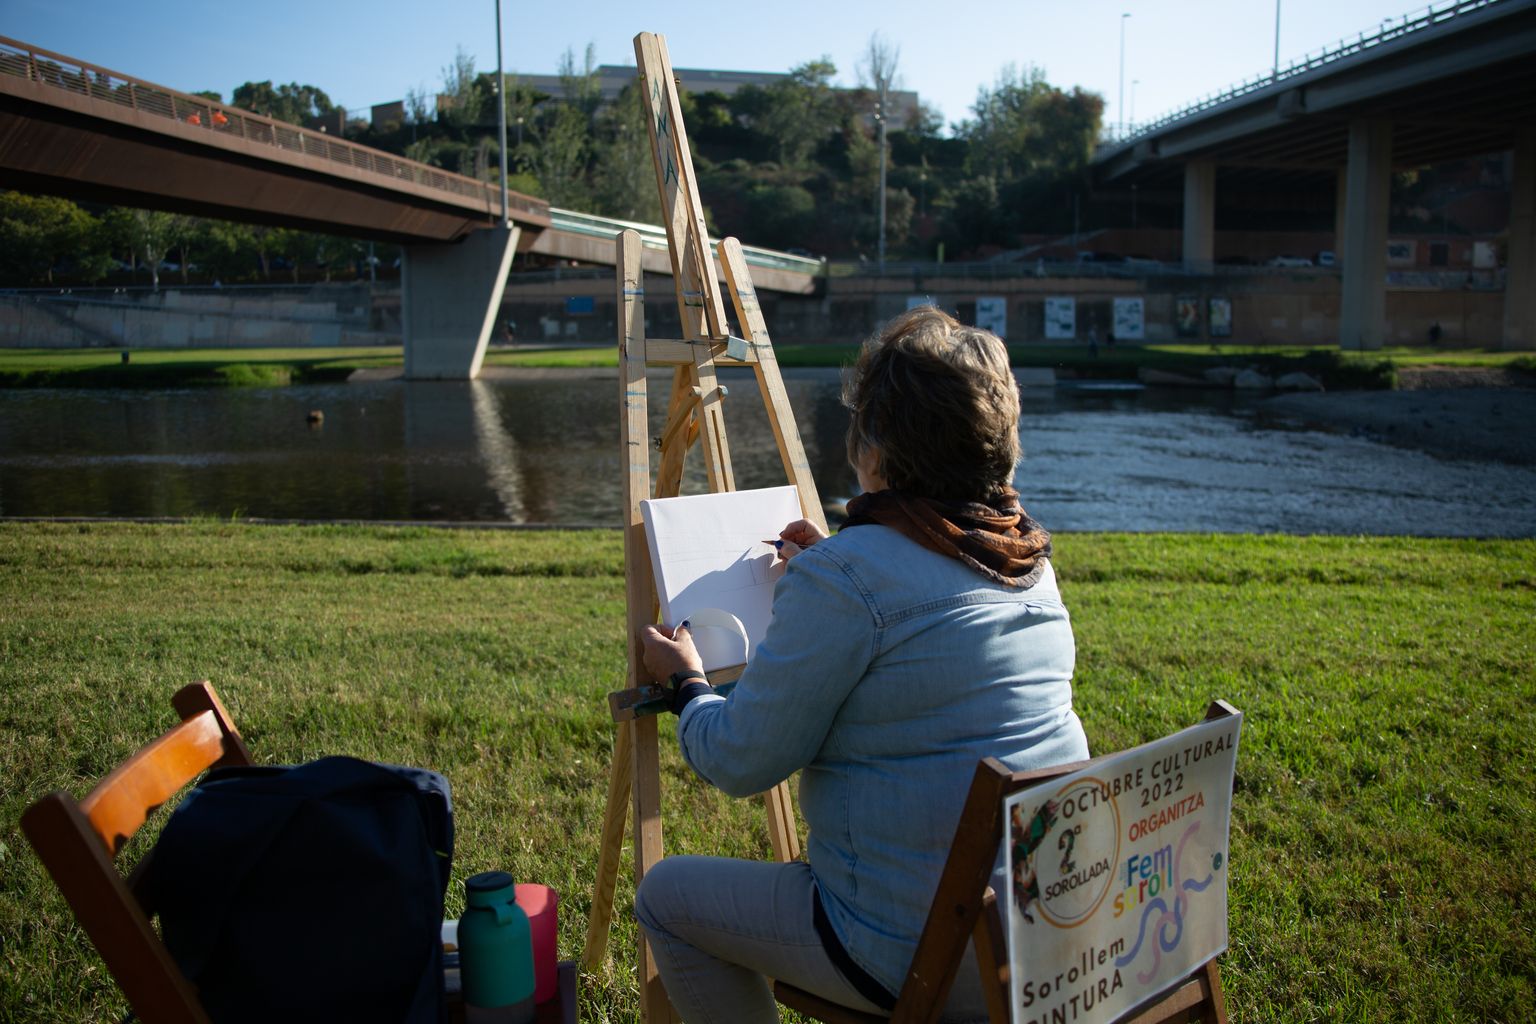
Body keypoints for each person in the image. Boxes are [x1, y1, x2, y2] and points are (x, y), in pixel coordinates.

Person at [634, 306, 1089, 1023]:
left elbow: (740, 759)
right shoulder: (1025, 557)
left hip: (918, 956)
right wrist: (837, 568)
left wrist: (687, 682)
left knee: (665, 896)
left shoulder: (851, 579)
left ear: (878, 444)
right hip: (1050, 937)